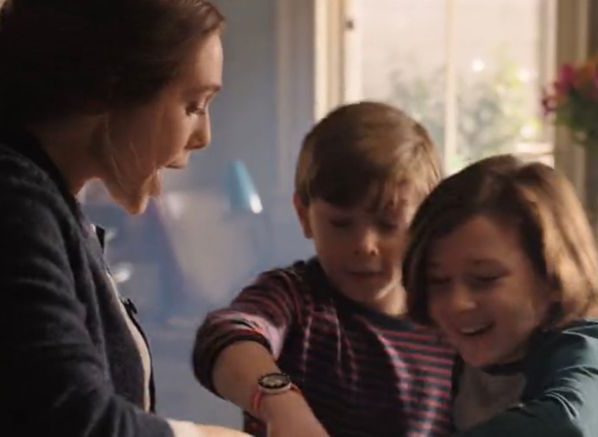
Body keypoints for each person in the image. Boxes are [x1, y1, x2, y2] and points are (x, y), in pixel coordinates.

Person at [0, 1, 248, 436]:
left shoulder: (30, 192)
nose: (204, 136)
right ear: (110, 87)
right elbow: (66, 420)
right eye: (193, 104)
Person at [192, 101, 456, 437]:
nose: (364, 244)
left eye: (388, 225)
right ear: (304, 216)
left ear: (424, 225)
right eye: (341, 224)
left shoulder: (449, 325)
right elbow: (225, 333)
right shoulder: (294, 299)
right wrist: (281, 402)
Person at [402, 155, 598, 436]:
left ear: (552, 277)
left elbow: (568, 425)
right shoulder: (471, 363)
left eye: (484, 278)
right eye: (438, 281)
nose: (457, 303)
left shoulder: (592, 345)